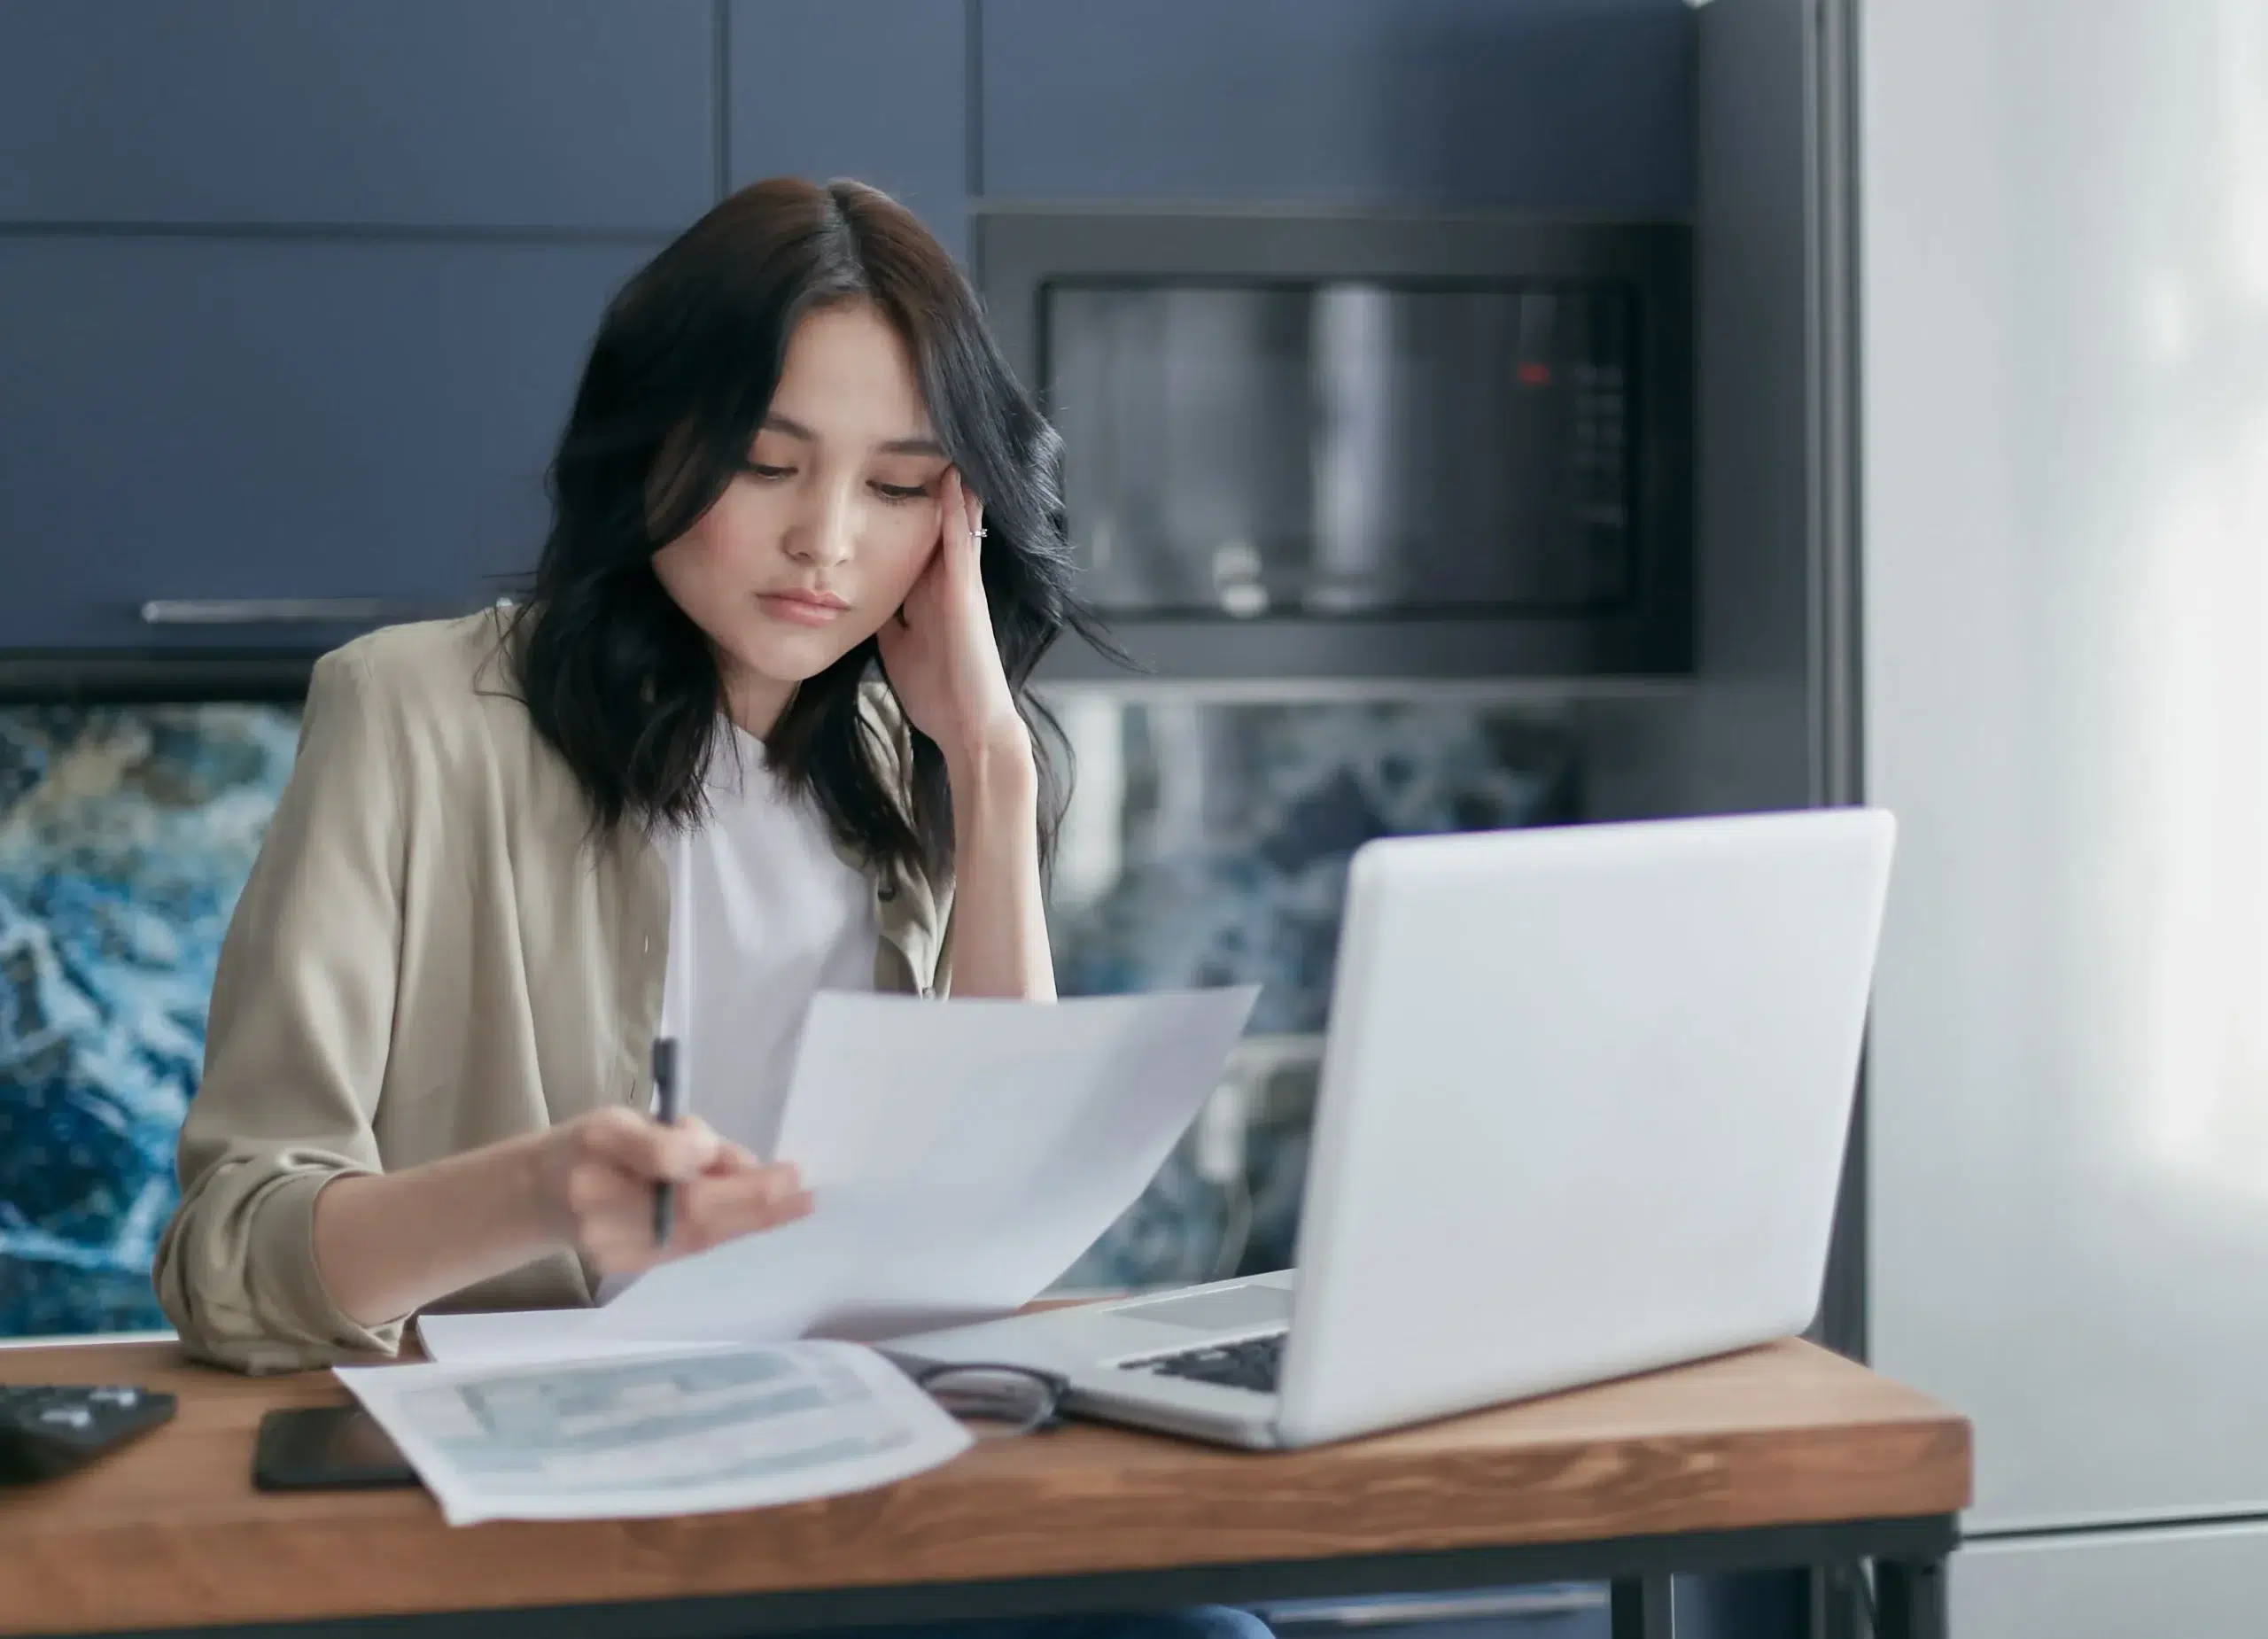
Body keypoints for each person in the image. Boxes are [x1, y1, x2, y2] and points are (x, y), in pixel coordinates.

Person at [152, 177, 1266, 1639]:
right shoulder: (413, 712)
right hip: (526, 1532)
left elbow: (998, 1222)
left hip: (844, 1488)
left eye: (894, 487)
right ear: (655, 441)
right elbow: (230, 1258)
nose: (827, 543)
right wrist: (545, 1190)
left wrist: (989, 768)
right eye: (766, 463)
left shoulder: (897, 760)